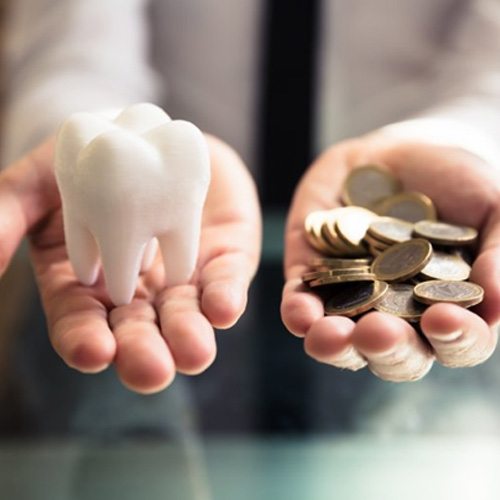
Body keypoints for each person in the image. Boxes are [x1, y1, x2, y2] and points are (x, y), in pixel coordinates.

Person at [1, 0, 500, 398]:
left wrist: (461, 142)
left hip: (392, 159)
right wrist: (87, 143)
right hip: (179, 166)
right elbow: (72, 47)